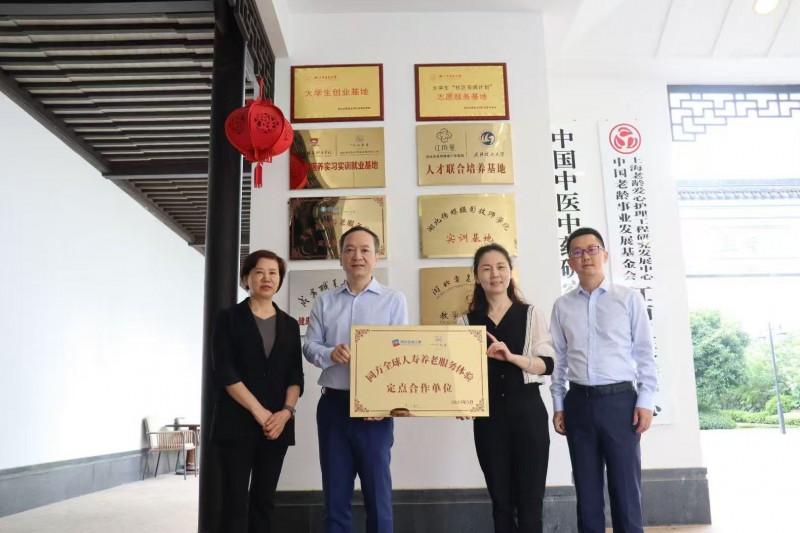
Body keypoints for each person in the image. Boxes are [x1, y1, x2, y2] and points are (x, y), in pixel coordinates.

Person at [549, 227, 658, 533]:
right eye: (577, 252)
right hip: (578, 403)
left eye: (592, 249)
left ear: (605, 255)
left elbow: (644, 353)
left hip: (620, 403)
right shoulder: (562, 306)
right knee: (586, 493)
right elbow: (559, 359)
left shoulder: (629, 299)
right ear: (570, 262)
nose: (586, 257)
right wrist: (558, 405)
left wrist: (646, 400)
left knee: (626, 491)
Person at [303, 226, 408, 533]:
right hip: (334, 407)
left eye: (365, 250)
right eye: (349, 250)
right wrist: (329, 353)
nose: (357, 256)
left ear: (377, 256)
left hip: (376, 412)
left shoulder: (393, 300)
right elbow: (309, 346)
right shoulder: (324, 301)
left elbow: (402, 354)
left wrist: (385, 403)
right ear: (340, 258)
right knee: (335, 497)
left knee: (378, 497)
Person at [456, 243, 555, 533]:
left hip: (528, 412)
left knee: (530, 500)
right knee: (500, 501)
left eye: (501, 267)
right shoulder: (466, 322)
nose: (494, 274)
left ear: (511, 272)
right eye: (486, 269)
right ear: (477, 276)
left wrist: (512, 357)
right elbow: (461, 374)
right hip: (489, 417)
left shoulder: (531, 314)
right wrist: (461, 401)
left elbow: (547, 364)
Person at [211, 250, 304, 533]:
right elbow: (226, 372)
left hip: (276, 426)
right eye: (259, 272)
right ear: (246, 279)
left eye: (273, 273)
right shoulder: (228, 319)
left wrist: (285, 413)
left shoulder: (289, 325)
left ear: (279, 280)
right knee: (234, 502)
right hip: (236, 423)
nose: (267, 278)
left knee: (264, 501)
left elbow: (295, 375)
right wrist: (259, 412)